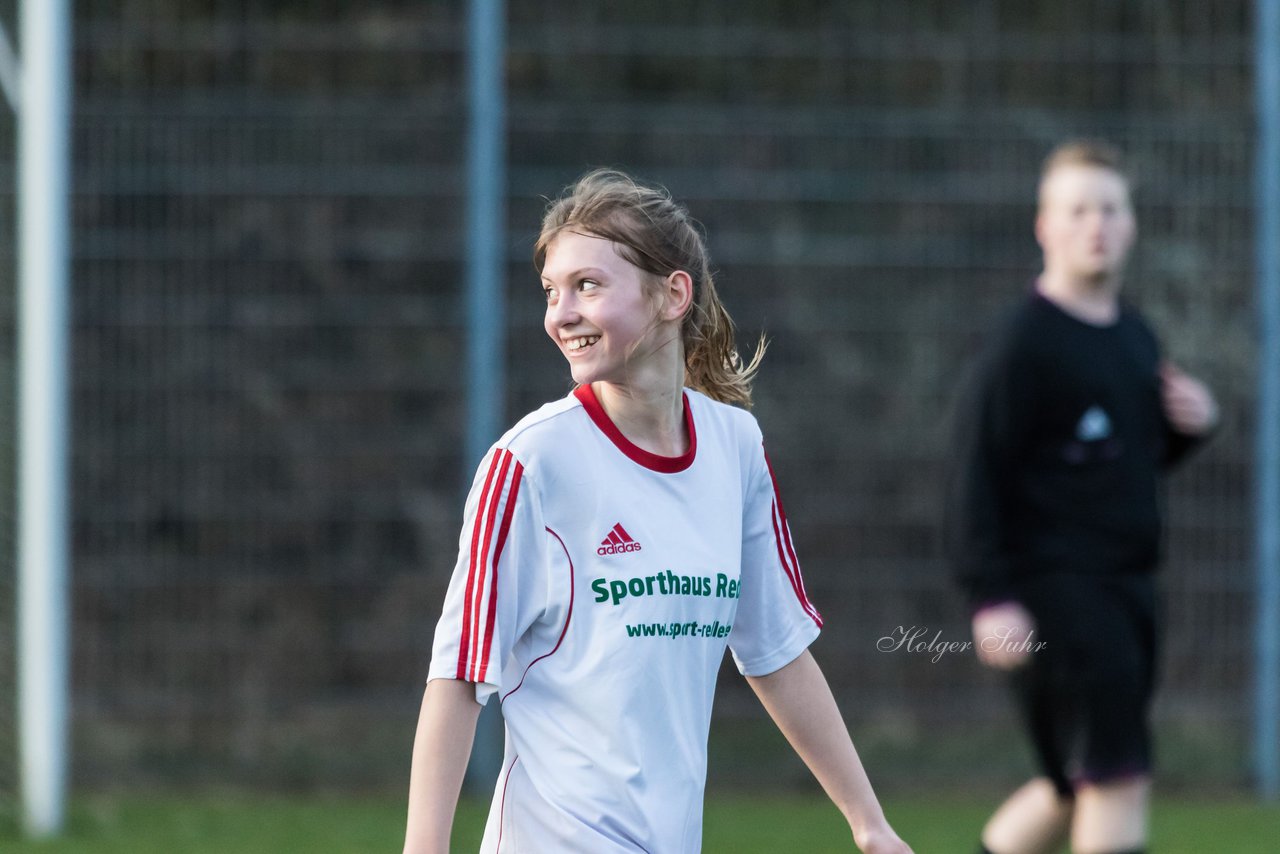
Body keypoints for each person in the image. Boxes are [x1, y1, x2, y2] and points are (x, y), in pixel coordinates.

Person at [404, 169, 911, 853]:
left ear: (672, 294)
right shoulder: (529, 464)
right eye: (552, 291)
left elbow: (776, 652)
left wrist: (869, 823)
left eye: (588, 285)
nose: (562, 313)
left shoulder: (735, 447)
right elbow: (459, 679)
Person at [947, 140, 1219, 854]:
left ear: (1131, 223)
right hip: (1059, 596)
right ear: (1045, 226)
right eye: (1077, 209)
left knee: (1074, 780)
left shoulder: (1134, 335)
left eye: (1110, 207)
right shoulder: (1022, 343)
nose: (1095, 224)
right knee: (1117, 776)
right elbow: (974, 473)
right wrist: (989, 596)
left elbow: (1128, 459)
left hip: (1130, 590)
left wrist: (1194, 426)